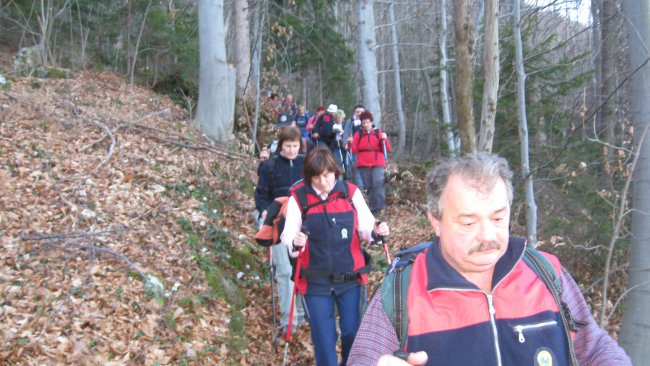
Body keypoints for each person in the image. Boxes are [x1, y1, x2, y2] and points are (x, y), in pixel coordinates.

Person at [348, 153, 631, 366]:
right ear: (436, 221)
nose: (488, 236)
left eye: (498, 218)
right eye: (469, 223)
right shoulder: (402, 289)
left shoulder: (546, 272)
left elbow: (593, 347)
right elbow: (365, 358)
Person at [281, 147, 390, 366]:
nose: (323, 181)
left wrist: (378, 232)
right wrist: (295, 241)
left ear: (335, 171)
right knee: (324, 339)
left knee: (352, 333)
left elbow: (368, 228)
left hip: (350, 278)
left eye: (327, 175)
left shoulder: (350, 193)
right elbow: (287, 234)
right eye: (316, 177)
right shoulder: (299, 198)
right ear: (309, 177)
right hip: (315, 281)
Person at [254, 126, 306, 334]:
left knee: (302, 268)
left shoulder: (305, 164)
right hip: (277, 221)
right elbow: (261, 194)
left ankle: (302, 314)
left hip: (303, 223)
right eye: (288, 146)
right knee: (284, 270)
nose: (292, 150)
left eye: (295, 146)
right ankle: (288, 320)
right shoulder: (270, 166)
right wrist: (265, 210)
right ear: (281, 146)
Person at [351, 110, 391, 215]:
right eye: (364, 123)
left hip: (378, 161)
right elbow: (354, 150)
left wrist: (385, 140)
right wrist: (350, 143)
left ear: (371, 122)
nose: (366, 125)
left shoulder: (378, 132)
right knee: (368, 185)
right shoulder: (358, 134)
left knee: (378, 182)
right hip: (363, 163)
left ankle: (381, 205)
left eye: (367, 122)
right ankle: (374, 207)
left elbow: (387, 148)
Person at [343, 104, 365, 188]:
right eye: (357, 112)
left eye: (361, 112)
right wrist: (345, 143)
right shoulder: (350, 121)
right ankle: (359, 188)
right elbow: (346, 133)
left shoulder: (367, 121)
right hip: (354, 148)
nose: (359, 113)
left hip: (365, 149)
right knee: (355, 168)